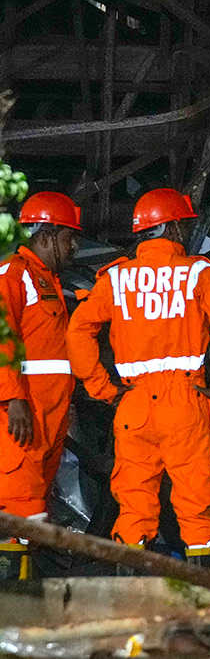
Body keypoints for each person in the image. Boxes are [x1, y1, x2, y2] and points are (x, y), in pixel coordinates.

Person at [67, 187, 210, 567]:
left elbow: (78, 331)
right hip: (185, 402)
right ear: (174, 229)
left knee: (132, 508)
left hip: (133, 405)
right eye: (184, 226)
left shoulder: (115, 278)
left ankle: (130, 611)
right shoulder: (199, 273)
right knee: (196, 510)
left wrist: (103, 389)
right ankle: (201, 607)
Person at [0, 192, 82, 580]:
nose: (74, 246)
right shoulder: (13, 272)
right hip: (22, 415)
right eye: (68, 237)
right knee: (19, 506)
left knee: (32, 508)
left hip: (47, 417)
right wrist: (12, 397)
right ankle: (13, 609)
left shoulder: (46, 281)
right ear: (46, 235)